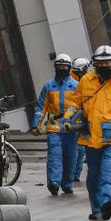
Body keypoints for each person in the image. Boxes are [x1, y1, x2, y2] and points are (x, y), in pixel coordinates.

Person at [62, 45, 111, 220]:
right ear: (95, 64)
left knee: (109, 170)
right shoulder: (86, 81)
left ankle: (108, 201)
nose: (104, 66)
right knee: (93, 175)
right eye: (101, 63)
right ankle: (97, 208)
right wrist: (67, 119)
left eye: (108, 63)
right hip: (90, 135)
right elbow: (75, 103)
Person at [33, 54, 79, 195]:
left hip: (70, 126)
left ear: (69, 68)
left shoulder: (76, 86)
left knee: (70, 157)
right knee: (54, 155)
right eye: (59, 66)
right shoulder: (49, 86)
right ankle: (54, 182)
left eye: (64, 66)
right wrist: (36, 125)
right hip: (53, 125)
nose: (62, 69)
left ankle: (67, 183)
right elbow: (41, 107)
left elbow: (80, 107)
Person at [70, 57, 91, 182]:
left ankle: (75, 173)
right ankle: (74, 173)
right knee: (78, 148)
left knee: (80, 148)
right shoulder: (76, 83)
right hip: (77, 117)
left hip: (81, 117)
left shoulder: (80, 81)